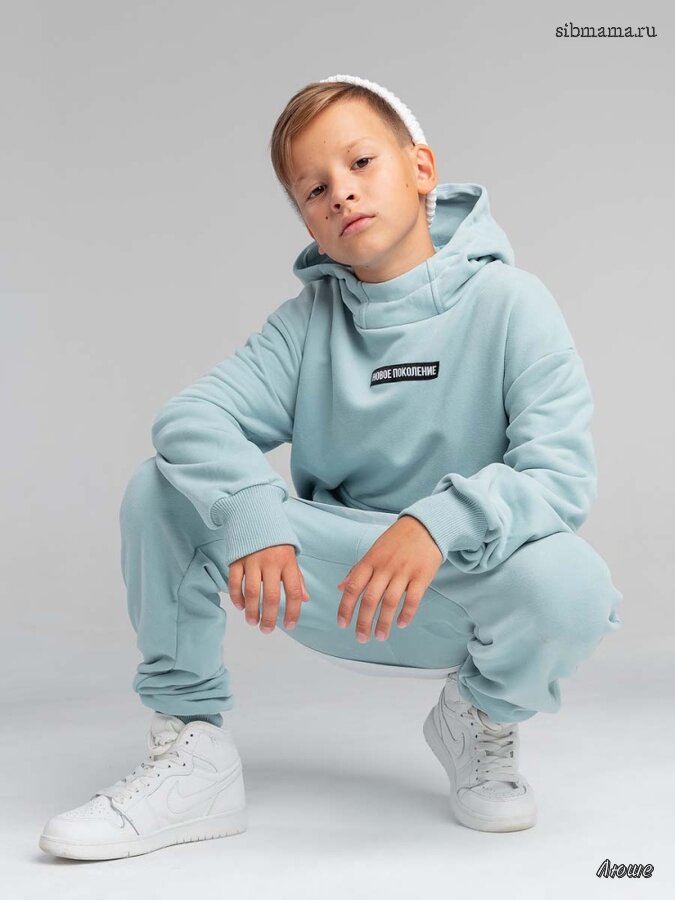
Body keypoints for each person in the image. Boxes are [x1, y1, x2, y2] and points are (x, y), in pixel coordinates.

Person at [39, 73, 623, 860]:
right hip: (327, 587)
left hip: (455, 591)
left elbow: (558, 476)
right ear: (306, 217)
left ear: (421, 168)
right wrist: (252, 508)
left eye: (360, 163)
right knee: (161, 487)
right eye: (313, 189)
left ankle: (479, 717)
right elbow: (191, 417)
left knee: (574, 582)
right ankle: (193, 751)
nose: (340, 193)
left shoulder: (512, 304)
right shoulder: (306, 324)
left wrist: (436, 522)